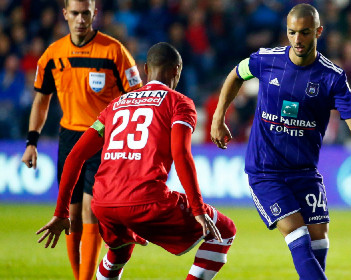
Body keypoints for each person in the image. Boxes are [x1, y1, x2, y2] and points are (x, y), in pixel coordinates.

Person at [36, 42, 237, 280]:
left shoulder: (114, 106)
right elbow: (181, 155)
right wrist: (197, 208)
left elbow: (75, 157)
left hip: (104, 203)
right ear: (177, 70)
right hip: (147, 201)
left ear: (145, 69)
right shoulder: (179, 103)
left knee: (119, 251)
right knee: (223, 231)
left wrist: (61, 212)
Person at [211, 4, 351, 279]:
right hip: (266, 172)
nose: (298, 40)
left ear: (318, 31)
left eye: (304, 33)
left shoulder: (332, 77)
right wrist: (218, 117)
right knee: (299, 236)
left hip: (304, 172)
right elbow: (235, 74)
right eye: (292, 33)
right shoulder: (265, 60)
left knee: (319, 240)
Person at [21, 1, 143, 279]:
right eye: (74, 13)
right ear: (64, 14)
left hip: (104, 138)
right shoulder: (53, 54)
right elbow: (42, 99)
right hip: (69, 138)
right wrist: (31, 142)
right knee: (71, 216)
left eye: (85, 13)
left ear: (94, 14)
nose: (79, 19)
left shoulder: (114, 52)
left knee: (91, 211)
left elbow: (137, 98)